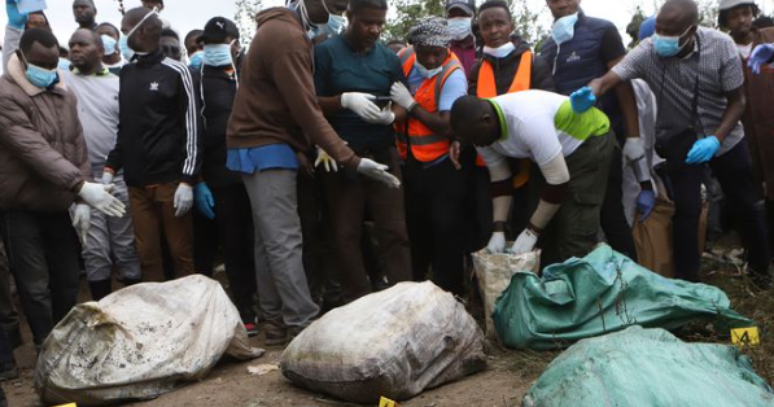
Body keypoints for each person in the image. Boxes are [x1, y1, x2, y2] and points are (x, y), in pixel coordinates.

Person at [227, 0, 399, 345]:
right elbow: (304, 107)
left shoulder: (287, 31)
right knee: (285, 240)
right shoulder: (287, 37)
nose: (341, 9)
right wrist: (349, 158)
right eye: (337, 3)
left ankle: (275, 322)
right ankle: (303, 323)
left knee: (268, 241)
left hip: (266, 143)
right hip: (265, 145)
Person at [578, 0, 771, 286]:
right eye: (659, 29)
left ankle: (759, 271)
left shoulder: (720, 46)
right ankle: (686, 281)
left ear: (691, 30)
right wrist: (590, 92)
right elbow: (609, 79)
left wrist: (716, 140)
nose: (661, 38)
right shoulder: (647, 51)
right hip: (681, 137)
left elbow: (738, 101)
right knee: (686, 208)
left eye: (670, 31)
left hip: (725, 134)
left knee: (744, 203)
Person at [0, 28, 126, 348]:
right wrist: (81, 186)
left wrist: (79, 199)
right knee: (35, 284)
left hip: (58, 203)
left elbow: (76, 146)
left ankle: (70, 341)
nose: (48, 70)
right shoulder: (6, 95)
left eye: (54, 63)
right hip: (21, 206)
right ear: (22, 57)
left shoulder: (63, 92)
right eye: (41, 63)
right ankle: (47, 344)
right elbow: (32, 148)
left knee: (68, 277)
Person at [313, 0, 412, 303]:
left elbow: (402, 100)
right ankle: (358, 300)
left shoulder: (388, 58)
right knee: (345, 233)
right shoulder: (325, 53)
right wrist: (342, 100)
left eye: (380, 23)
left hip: (382, 150)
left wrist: (392, 116)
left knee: (394, 229)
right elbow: (310, 102)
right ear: (349, 16)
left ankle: (403, 298)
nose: (375, 29)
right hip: (341, 154)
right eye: (367, 22)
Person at [450, 91, 614, 264]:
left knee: (574, 229)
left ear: (487, 120)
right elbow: (501, 180)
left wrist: (531, 231)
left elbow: (558, 180)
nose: (477, 144)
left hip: (587, 140)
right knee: (540, 227)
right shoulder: (478, 131)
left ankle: (578, 286)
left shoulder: (528, 120)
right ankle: (547, 286)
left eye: (476, 138)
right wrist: (498, 229)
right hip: (550, 152)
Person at [539, 0, 646, 262]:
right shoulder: (548, 45)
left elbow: (622, 80)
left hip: (601, 139)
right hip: (565, 144)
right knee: (572, 215)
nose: (561, 3)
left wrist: (633, 136)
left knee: (610, 212)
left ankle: (631, 281)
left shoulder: (602, 31)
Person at [105, 7, 201, 282]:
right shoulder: (127, 73)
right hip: (136, 183)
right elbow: (126, 127)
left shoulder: (177, 72)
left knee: (181, 253)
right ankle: (156, 320)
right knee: (147, 256)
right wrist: (111, 166)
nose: (122, 37)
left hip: (170, 181)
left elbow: (193, 129)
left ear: (142, 31)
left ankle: (191, 313)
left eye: (124, 31)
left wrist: (187, 180)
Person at [466, 0, 556, 250]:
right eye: (486, 26)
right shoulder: (476, 68)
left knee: (528, 227)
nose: (493, 30)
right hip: (491, 160)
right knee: (490, 227)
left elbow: (549, 108)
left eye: (499, 23)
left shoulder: (534, 62)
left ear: (511, 26)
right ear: (480, 30)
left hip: (530, 161)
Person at [391, 17, 469, 296]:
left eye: (439, 52)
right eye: (427, 53)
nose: (433, 59)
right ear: (416, 47)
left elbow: (447, 125)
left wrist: (410, 105)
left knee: (445, 230)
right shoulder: (405, 59)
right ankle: (414, 292)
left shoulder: (453, 74)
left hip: (442, 165)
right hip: (409, 162)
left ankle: (450, 293)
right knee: (415, 229)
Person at [193, 16, 258, 336]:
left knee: (261, 239)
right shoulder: (198, 78)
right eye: (209, 43)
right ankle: (244, 307)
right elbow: (192, 130)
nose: (215, 49)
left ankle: (267, 303)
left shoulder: (251, 72)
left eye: (221, 42)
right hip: (220, 173)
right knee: (233, 243)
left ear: (235, 42)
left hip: (257, 166)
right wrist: (198, 179)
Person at [66, 29, 142, 300]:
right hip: (81, 181)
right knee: (93, 249)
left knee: (126, 246)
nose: (75, 48)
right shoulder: (62, 81)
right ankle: (103, 315)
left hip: (118, 177)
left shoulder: (118, 84)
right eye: (71, 44)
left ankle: (135, 313)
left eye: (82, 44)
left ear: (100, 50)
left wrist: (117, 169)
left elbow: (129, 131)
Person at [721, 0, 774, 255]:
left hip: (771, 127)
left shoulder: (770, 36)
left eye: (746, 13)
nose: (742, 20)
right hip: (741, 132)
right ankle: (757, 249)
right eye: (734, 16)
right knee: (748, 192)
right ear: (725, 20)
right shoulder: (721, 47)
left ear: (753, 14)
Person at [446, 0, 477, 76]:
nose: (457, 19)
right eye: (453, 15)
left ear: (473, 17)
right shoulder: (442, 49)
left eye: (463, 14)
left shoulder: (482, 47)